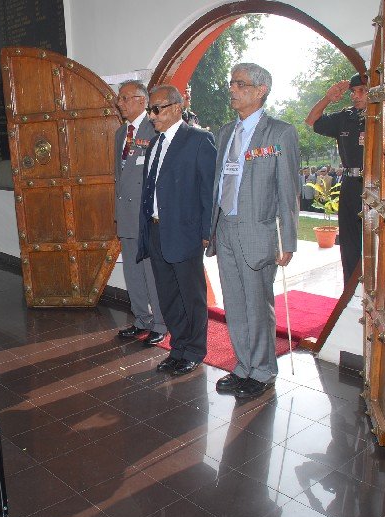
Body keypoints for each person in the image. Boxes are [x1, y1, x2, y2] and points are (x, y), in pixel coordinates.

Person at [206, 63, 301, 399]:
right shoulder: (225, 133)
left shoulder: (279, 133)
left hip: (258, 232)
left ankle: (262, 372)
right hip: (225, 228)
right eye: (231, 83)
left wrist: (287, 240)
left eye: (240, 84)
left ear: (261, 90)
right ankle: (243, 366)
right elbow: (219, 183)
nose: (232, 89)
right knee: (234, 303)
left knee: (257, 305)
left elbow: (289, 190)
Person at [137, 85, 216, 375]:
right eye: (150, 110)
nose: (151, 116)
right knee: (168, 295)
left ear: (176, 108)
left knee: (191, 296)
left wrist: (207, 232)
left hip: (185, 232)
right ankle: (178, 347)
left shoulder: (199, 139)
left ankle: (194, 351)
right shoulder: (154, 144)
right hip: (156, 231)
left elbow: (209, 190)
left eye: (156, 109)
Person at [114, 81, 166, 346]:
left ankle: (160, 323)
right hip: (126, 214)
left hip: (147, 216)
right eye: (119, 98)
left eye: (124, 98)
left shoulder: (154, 128)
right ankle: (141, 319)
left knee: (152, 273)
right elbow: (119, 176)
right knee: (132, 272)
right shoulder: (120, 133)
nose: (119, 103)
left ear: (141, 100)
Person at [305, 73, 369, 283]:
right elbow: (311, 120)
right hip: (350, 185)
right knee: (349, 242)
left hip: (373, 185)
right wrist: (328, 98)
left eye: (362, 91)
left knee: (373, 243)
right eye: (353, 92)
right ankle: (350, 287)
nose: (355, 96)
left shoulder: (384, 116)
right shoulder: (346, 117)